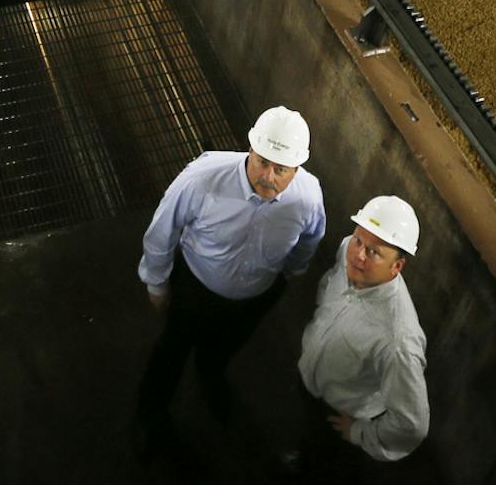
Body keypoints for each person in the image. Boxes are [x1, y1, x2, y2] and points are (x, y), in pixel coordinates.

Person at [134, 106, 326, 454]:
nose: (268, 176)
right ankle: (151, 416)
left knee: (223, 347)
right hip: (195, 290)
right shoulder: (202, 179)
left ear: (296, 169)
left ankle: (211, 377)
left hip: (255, 297)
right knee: (171, 351)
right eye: (262, 162)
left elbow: (311, 238)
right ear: (250, 150)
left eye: (280, 169)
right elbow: (163, 230)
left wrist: (292, 272)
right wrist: (157, 281)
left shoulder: (308, 196)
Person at [293, 195, 430, 478]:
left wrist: (359, 432)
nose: (358, 255)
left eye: (374, 252)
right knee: (305, 437)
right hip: (310, 382)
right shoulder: (349, 250)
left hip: (338, 414)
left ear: (397, 266)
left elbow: (412, 423)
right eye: (358, 240)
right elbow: (330, 285)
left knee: (325, 466)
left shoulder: (398, 340)